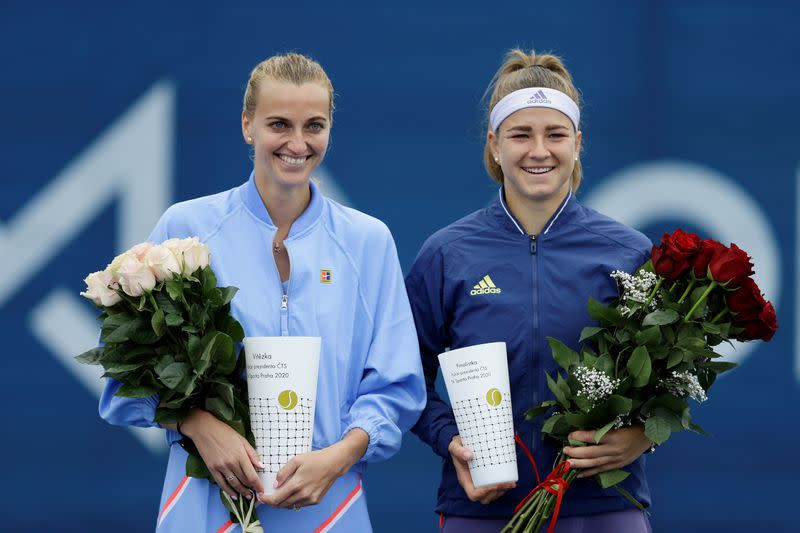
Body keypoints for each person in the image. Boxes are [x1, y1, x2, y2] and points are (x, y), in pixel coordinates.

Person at [99, 52, 426, 532]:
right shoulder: (185, 229)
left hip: (328, 505)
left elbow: (396, 385)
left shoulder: (368, 241)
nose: (297, 143)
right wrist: (197, 424)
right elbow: (124, 377)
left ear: (331, 129)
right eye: (279, 124)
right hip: (208, 505)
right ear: (247, 125)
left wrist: (337, 458)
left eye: (314, 125)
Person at [405, 49, 654, 532]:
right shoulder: (447, 253)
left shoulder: (628, 252)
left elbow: (672, 377)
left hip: (603, 506)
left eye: (555, 134)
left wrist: (642, 436)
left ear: (577, 143)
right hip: (481, 505)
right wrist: (449, 439)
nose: (539, 151)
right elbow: (404, 373)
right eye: (521, 134)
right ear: (495, 145)